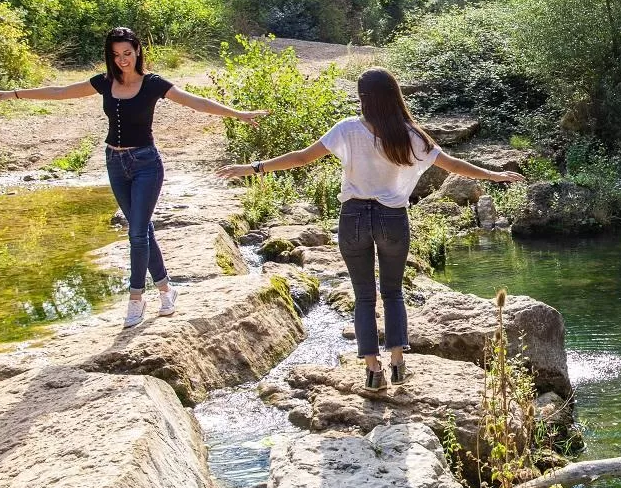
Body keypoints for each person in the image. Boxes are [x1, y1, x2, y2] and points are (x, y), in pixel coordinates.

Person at [218, 68, 525, 388]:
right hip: (392, 218)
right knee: (392, 292)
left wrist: (253, 167)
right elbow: (452, 164)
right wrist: (494, 175)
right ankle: (398, 364)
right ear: (395, 95)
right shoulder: (409, 134)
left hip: (353, 217)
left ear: (363, 97)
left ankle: (373, 371)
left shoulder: (347, 129)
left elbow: (301, 159)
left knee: (363, 296)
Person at [0, 26, 267, 327]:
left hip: (146, 163)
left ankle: (136, 297)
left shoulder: (153, 83)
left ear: (137, 51)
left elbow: (194, 101)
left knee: (136, 232)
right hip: (115, 163)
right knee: (142, 230)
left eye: (127, 53)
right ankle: (166, 290)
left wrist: (238, 114)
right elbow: (60, 92)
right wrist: (11, 94)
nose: (122, 60)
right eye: (116, 54)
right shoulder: (105, 82)